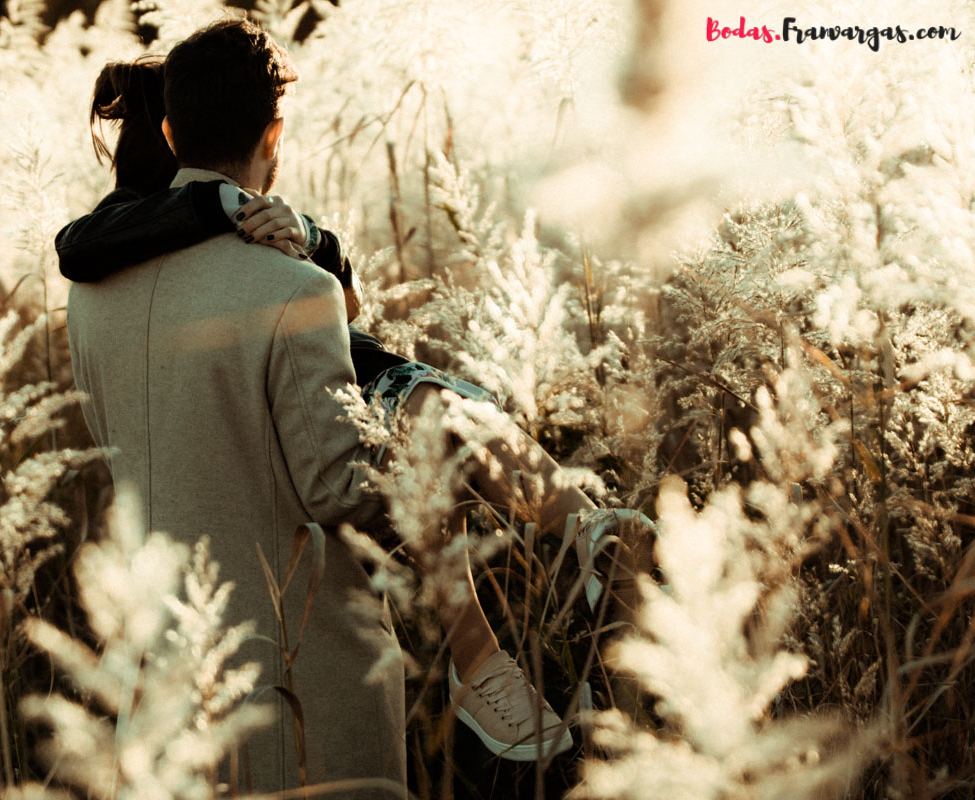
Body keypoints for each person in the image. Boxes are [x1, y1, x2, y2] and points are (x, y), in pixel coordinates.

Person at [62, 21, 658, 779]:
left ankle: (530, 603)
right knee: (437, 410)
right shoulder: (292, 284)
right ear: (275, 133)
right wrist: (434, 475)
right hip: (298, 674)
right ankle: (528, 600)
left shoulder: (90, 295)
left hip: (158, 660)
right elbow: (336, 488)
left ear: (171, 129)